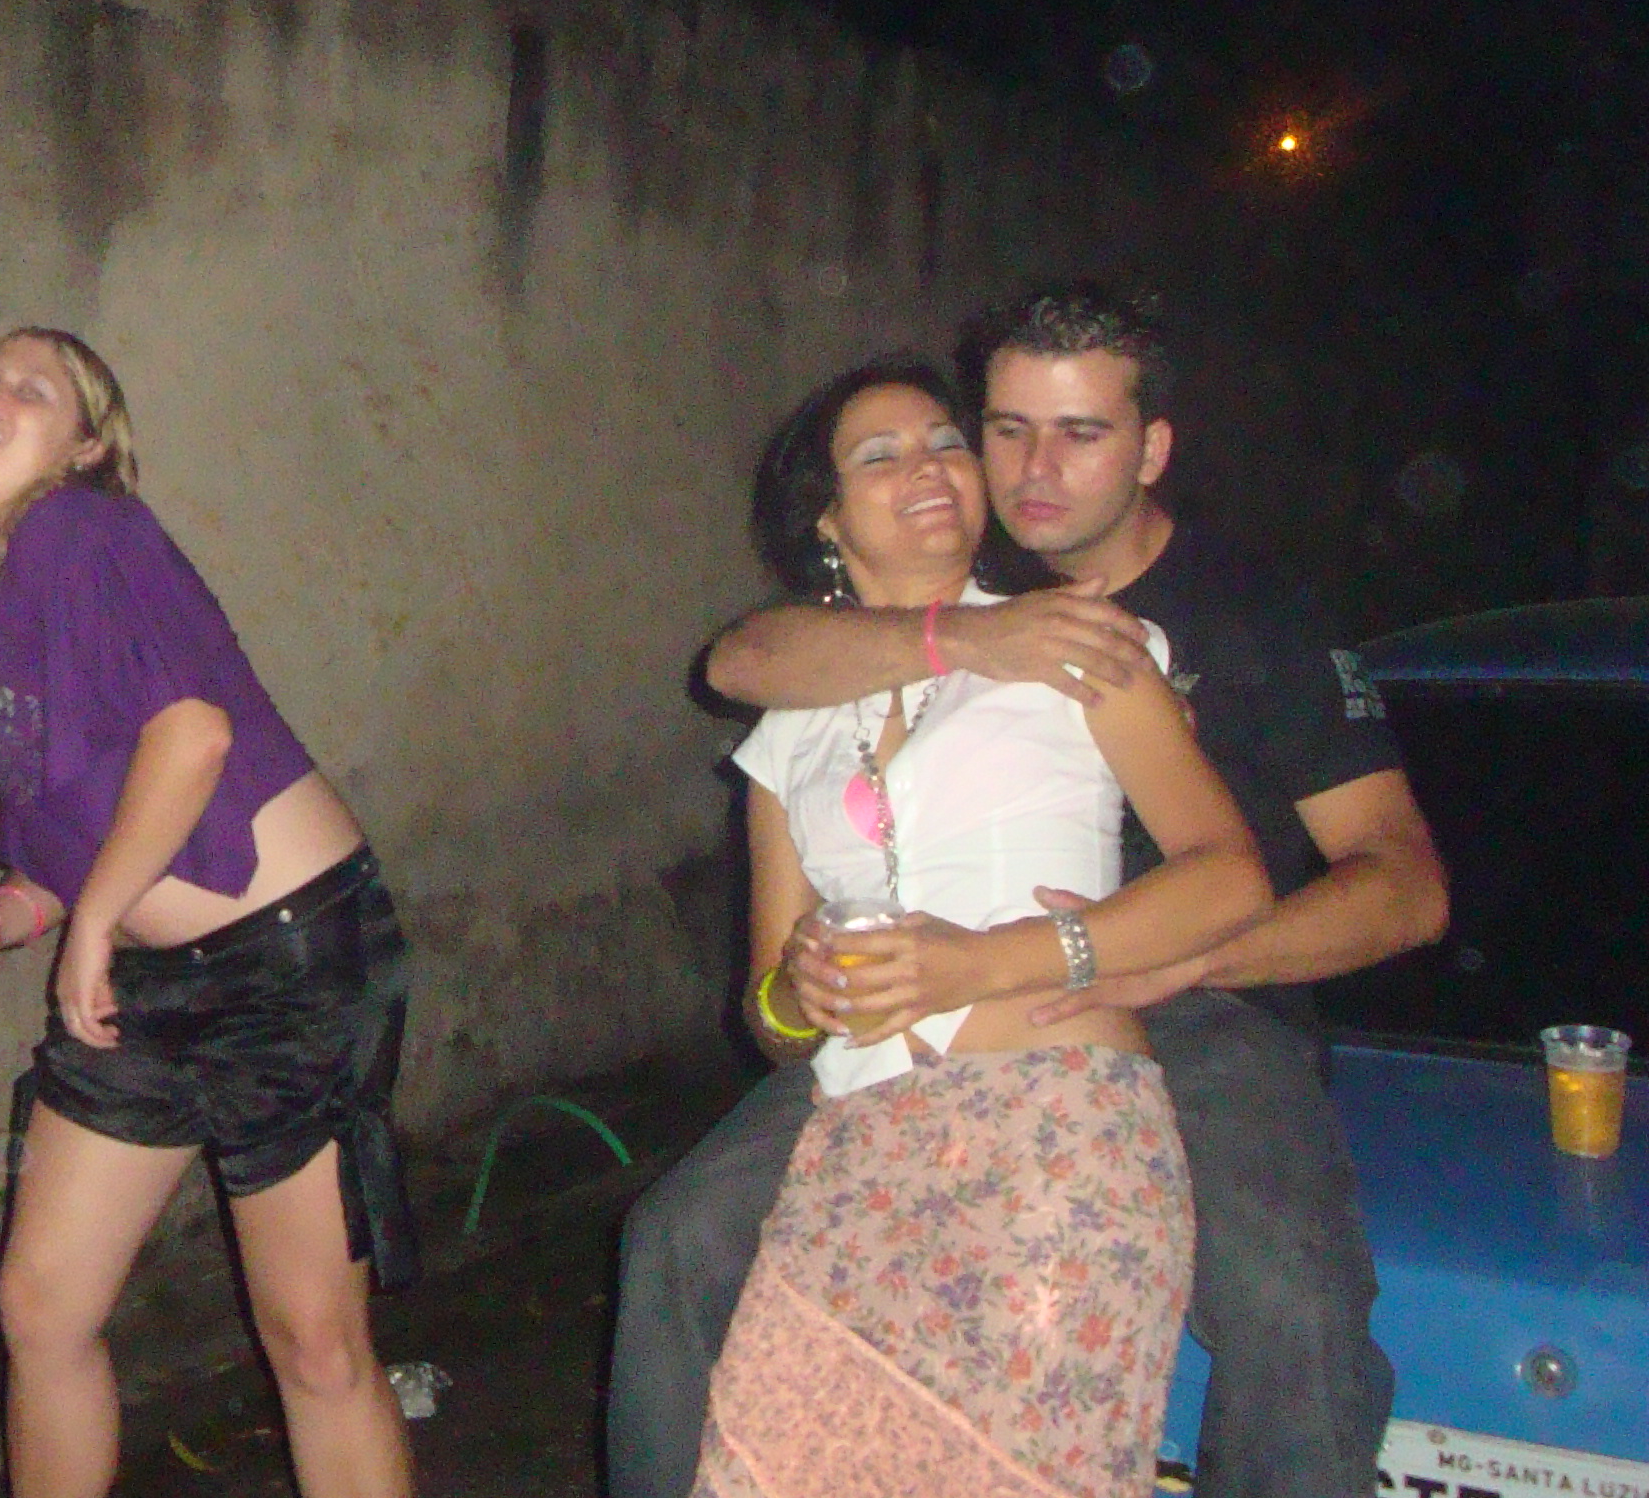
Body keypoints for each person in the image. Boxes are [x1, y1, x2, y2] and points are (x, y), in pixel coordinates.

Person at [609, 285, 1445, 1498]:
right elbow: (745, 659)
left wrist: (1169, 959)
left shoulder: (1250, 615)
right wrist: (964, 641)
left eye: (1079, 433)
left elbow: (1401, 884)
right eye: (1004, 429)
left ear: (1152, 448)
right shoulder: (965, 592)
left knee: (1289, 1303)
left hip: (1203, 995)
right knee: (681, 1239)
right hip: (915, 1020)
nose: (1031, 468)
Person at [686, 356, 1269, 1498]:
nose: (929, 468)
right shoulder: (789, 728)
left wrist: (986, 962)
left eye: (947, 443)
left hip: (1057, 1137)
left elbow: (1229, 878)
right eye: (881, 455)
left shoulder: (1075, 640)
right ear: (825, 518)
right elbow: (769, 1022)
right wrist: (804, 990)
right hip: (856, 1158)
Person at [0, 327, 416, 1498]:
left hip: (287, 959)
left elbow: (191, 738)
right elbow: (76, 841)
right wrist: (16, 914)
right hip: (146, 987)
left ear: (85, 447)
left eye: (30, 389)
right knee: (42, 1307)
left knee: (316, 1342)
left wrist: (93, 920)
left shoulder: (81, 528)